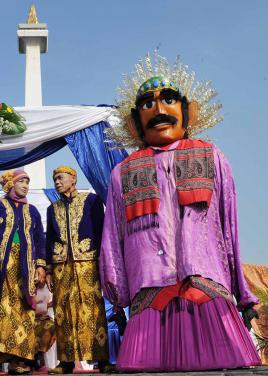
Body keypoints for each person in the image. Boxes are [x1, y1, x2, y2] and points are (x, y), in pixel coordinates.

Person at [100, 51, 261, 371]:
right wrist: (117, 296)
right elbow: (112, 240)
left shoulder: (211, 156)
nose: (159, 110)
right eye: (148, 104)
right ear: (134, 121)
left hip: (206, 287)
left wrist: (244, 296)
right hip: (149, 293)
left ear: (189, 111)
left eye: (169, 100)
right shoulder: (123, 172)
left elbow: (230, 227)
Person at [0, 169, 46, 376]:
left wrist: (41, 266)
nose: (26, 185)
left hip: (25, 268)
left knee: (23, 312)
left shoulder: (32, 211)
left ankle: (18, 361)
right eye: (22, 181)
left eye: (27, 182)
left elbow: (40, 239)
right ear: (10, 184)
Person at [45, 166, 110, 374]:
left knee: (93, 310)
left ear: (73, 179)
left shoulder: (91, 201)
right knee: (63, 311)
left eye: (60, 177)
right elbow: (49, 240)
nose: (57, 182)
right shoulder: (51, 208)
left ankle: (102, 359)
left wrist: (103, 260)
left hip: (88, 261)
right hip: (60, 265)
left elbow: (101, 230)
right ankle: (66, 362)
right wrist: (47, 269)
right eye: (54, 179)